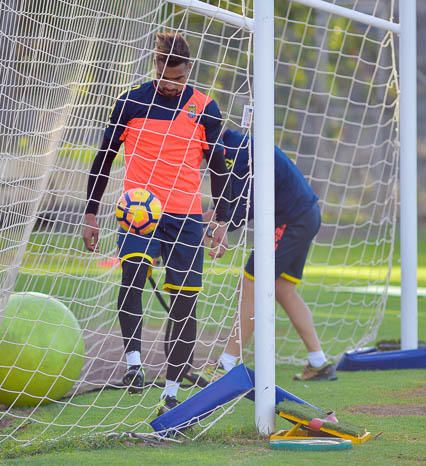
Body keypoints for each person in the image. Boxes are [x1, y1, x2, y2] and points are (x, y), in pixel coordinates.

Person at [82, 32, 230, 414]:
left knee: (185, 302)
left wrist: (221, 221)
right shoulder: (130, 102)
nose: (171, 84)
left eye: (179, 78)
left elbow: (217, 167)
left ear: (189, 71)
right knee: (132, 279)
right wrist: (91, 212)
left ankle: (171, 392)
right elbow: (104, 157)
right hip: (139, 214)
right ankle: (133, 365)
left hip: (186, 218)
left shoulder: (205, 108)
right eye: (165, 75)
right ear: (155, 65)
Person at [193, 129, 336, 385]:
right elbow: (232, 198)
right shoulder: (234, 147)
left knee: (252, 283)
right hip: (304, 215)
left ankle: (225, 365)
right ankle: (319, 362)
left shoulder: (232, 151)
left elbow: (247, 201)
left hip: (291, 220)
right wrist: (214, 218)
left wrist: (222, 226)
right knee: (282, 289)